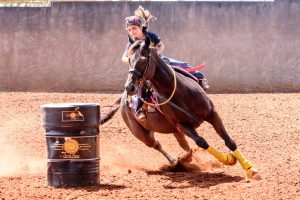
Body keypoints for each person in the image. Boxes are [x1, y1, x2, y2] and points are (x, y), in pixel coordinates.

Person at [122, 6, 209, 121]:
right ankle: (141, 108)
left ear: (141, 27)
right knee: (141, 86)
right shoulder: (132, 43)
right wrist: (131, 60)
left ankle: (200, 80)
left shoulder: (151, 35)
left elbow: (161, 45)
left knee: (182, 65)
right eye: (129, 30)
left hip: (159, 61)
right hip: (145, 69)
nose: (132, 32)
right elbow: (124, 57)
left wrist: (156, 55)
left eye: (134, 28)